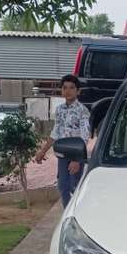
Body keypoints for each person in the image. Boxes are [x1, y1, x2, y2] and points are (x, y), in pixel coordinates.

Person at [35, 74, 91, 206]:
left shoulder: (82, 111)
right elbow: (55, 132)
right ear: (61, 90)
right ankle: (66, 213)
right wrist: (42, 151)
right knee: (63, 186)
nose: (68, 91)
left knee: (74, 187)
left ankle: (77, 213)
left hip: (76, 154)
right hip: (62, 154)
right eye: (65, 88)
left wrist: (77, 159)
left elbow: (85, 135)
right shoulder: (60, 110)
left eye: (72, 88)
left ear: (78, 91)